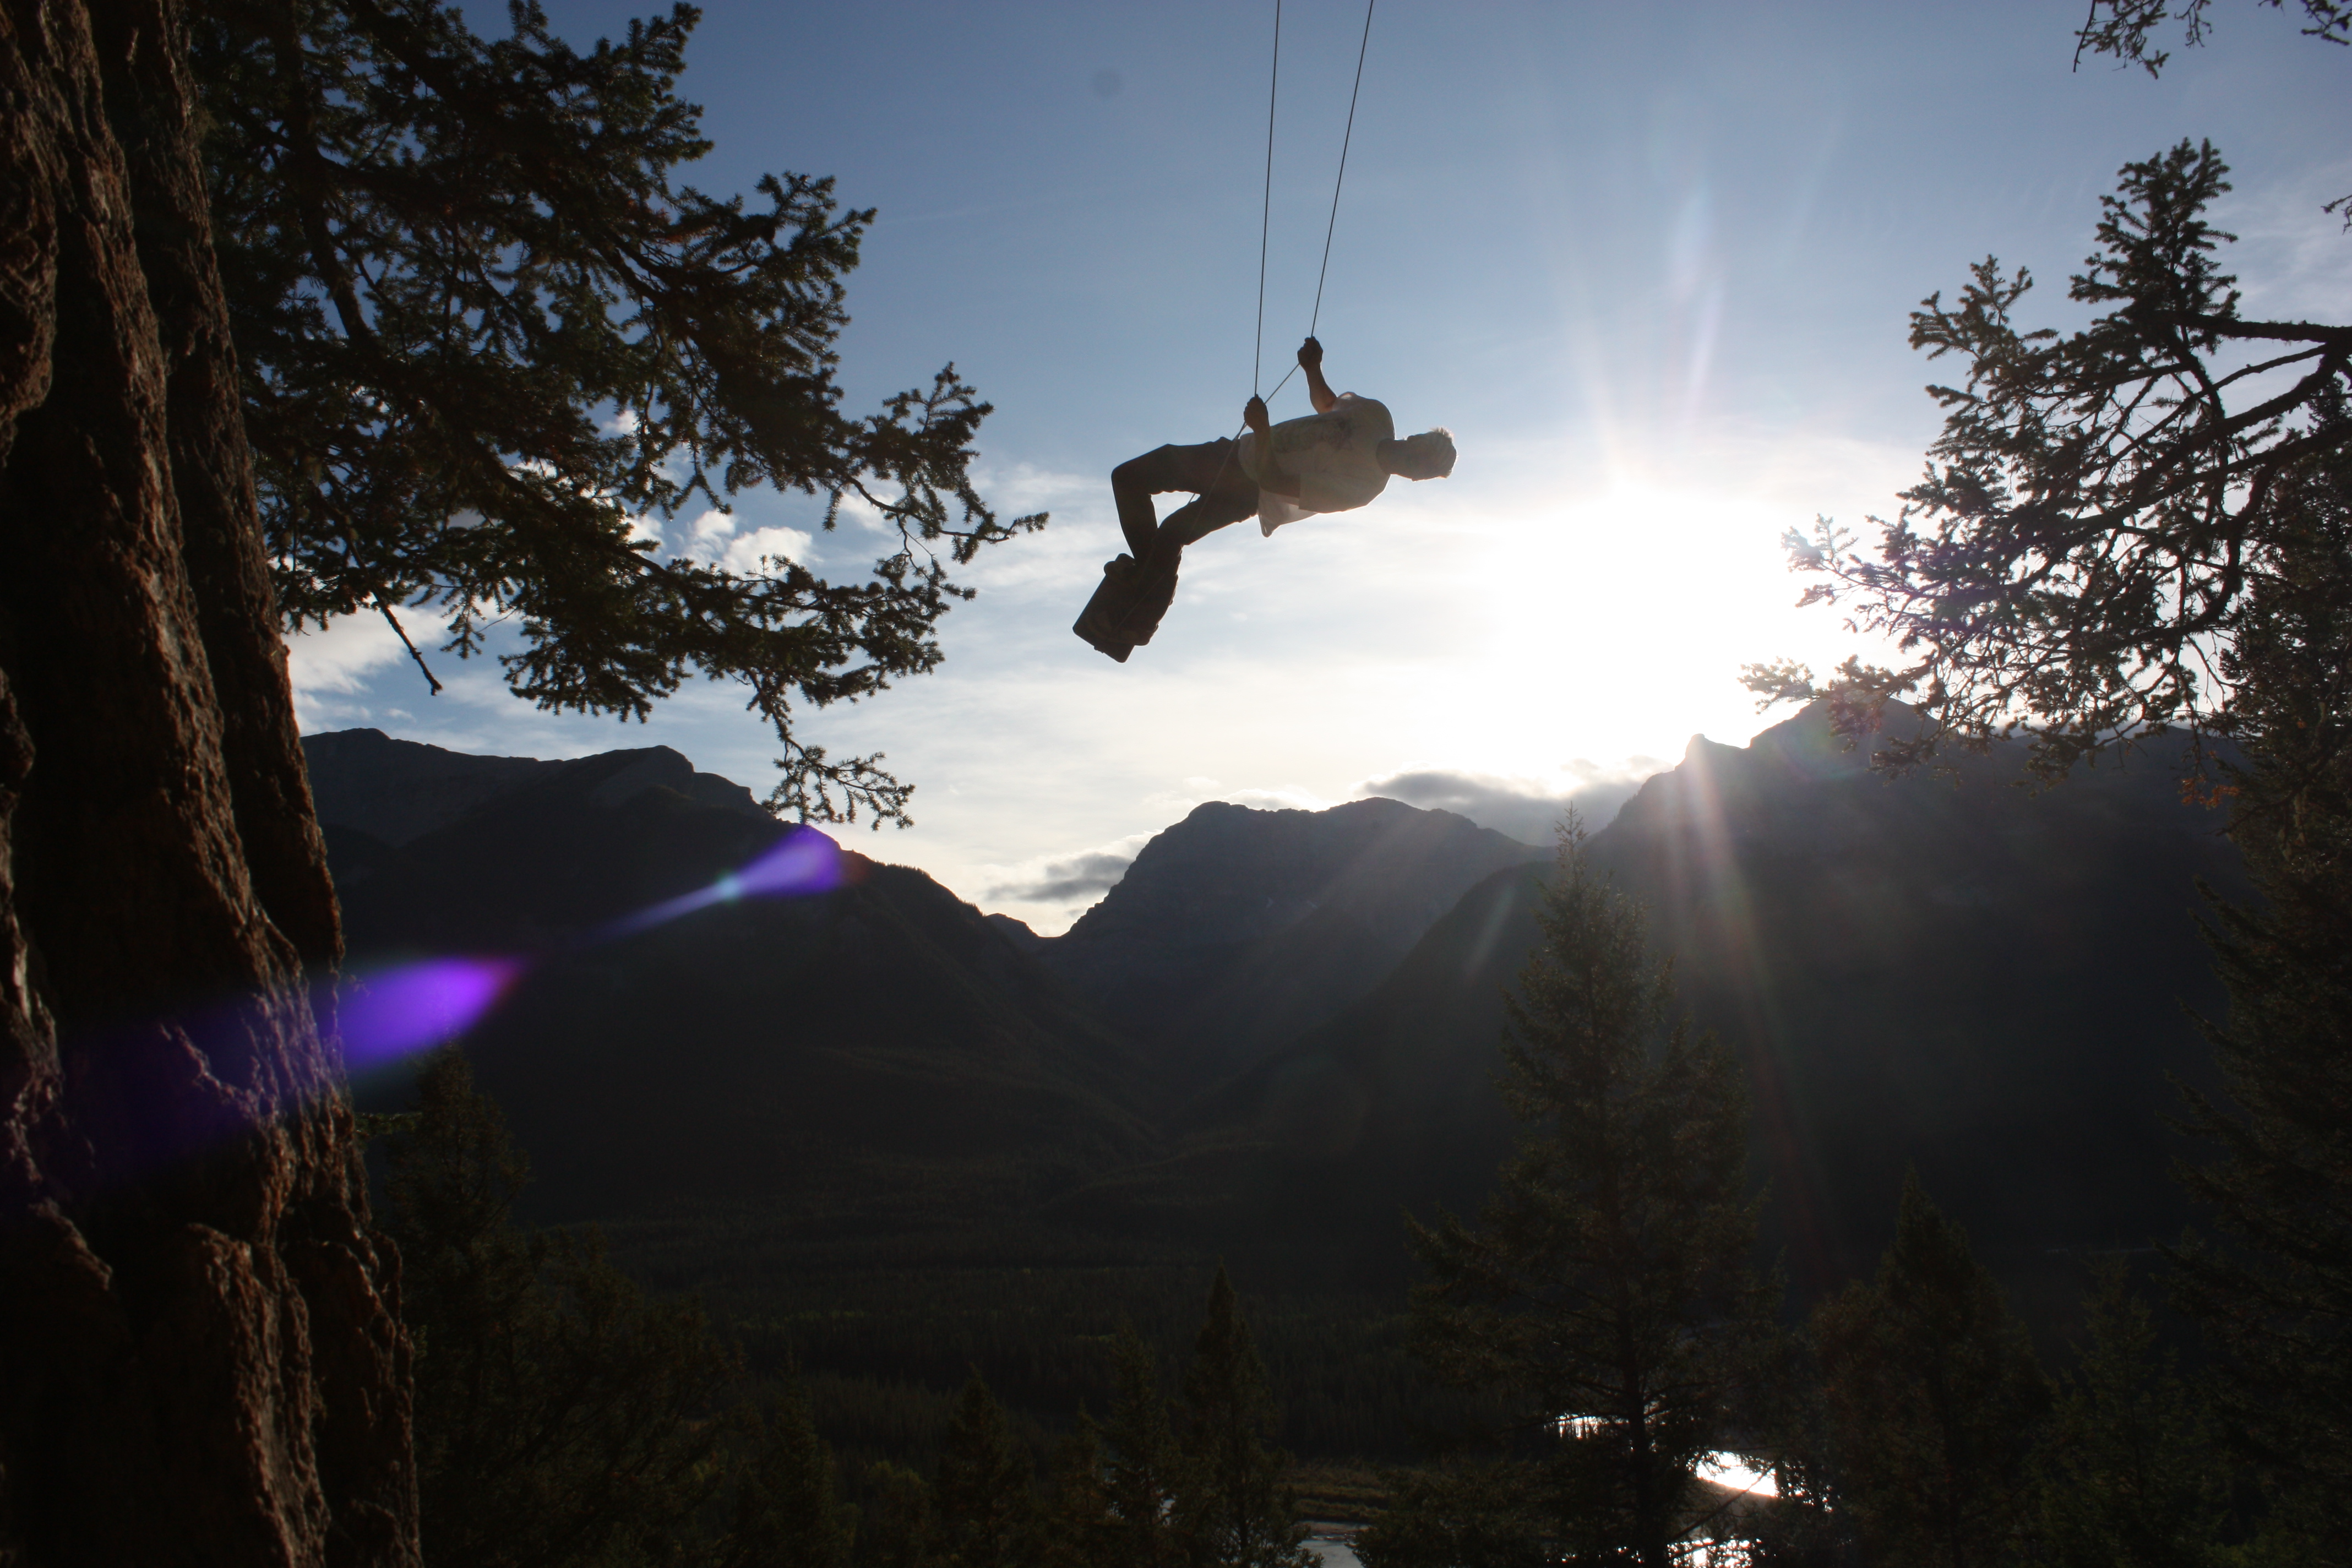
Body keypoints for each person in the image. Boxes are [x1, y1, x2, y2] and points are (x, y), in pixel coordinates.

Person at [1072, 337, 1455, 661]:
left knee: (1168, 531)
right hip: (1235, 453)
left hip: (1249, 489)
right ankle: (1140, 607)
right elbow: (1327, 405)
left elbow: (1274, 480)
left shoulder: (1362, 488)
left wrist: (1263, 429)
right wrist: (1313, 369)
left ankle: (1139, 608)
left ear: (1416, 479)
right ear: (1416, 439)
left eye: (1422, 471)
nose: (1414, 467)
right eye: (1422, 456)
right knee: (1135, 488)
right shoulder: (1377, 416)